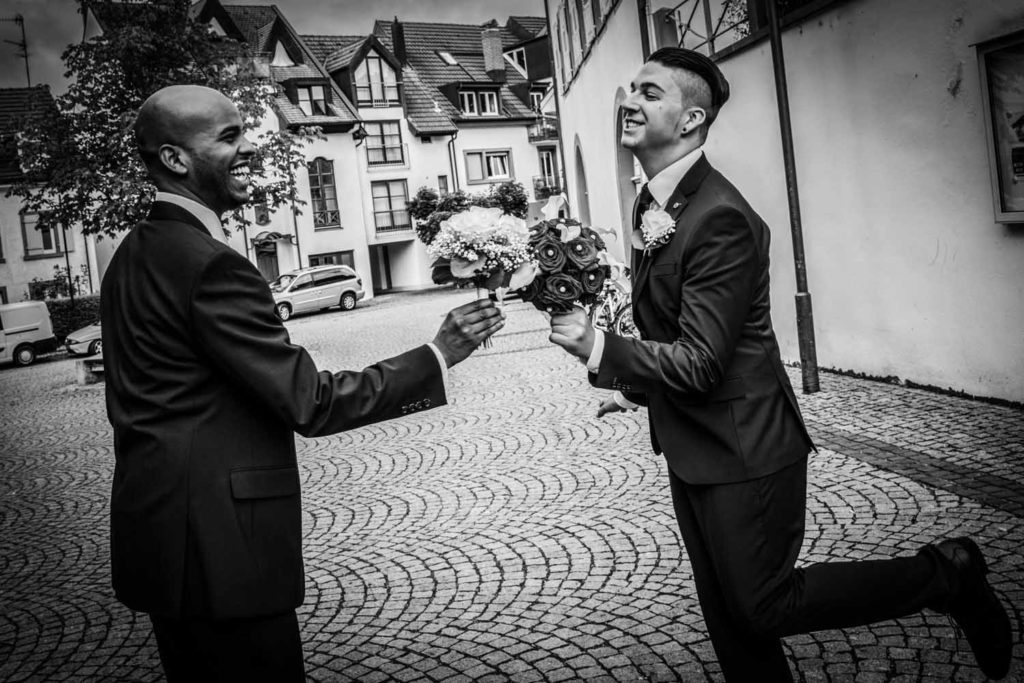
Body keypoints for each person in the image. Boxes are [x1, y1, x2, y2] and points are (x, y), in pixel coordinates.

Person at [547, 48, 1012, 681]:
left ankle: (946, 573)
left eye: (650, 93)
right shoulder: (655, 205)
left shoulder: (720, 218)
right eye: (630, 88)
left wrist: (600, 348)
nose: (628, 100)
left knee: (763, 605)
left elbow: (704, 361)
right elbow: (679, 330)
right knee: (731, 623)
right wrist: (630, 386)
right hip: (692, 443)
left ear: (690, 120)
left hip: (746, 446)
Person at [101, 84, 504, 681]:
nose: (251, 148)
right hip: (222, 547)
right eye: (230, 136)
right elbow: (310, 401)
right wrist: (437, 354)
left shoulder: (133, 255)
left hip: (162, 539)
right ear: (176, 158)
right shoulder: (211, 265)